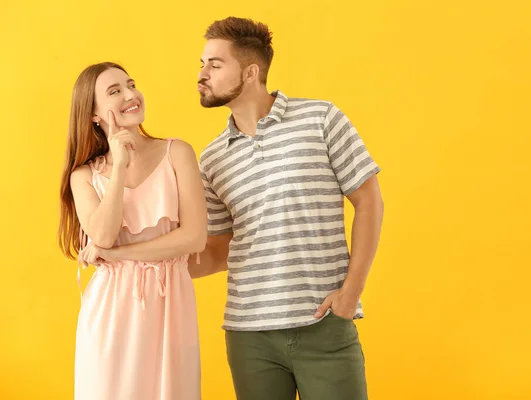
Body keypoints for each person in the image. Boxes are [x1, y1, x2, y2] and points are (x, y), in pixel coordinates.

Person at [188, 17, 384, 400]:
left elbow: (369, 201)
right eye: (202, 63)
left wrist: (351, 292)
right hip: (249, 337)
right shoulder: (211, 160)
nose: (202, 74)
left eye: (214, 64)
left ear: (250, 72)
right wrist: (141, 263)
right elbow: (219, 250)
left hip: (323, 325)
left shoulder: (321, 118)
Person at [58, 62, 207, 400]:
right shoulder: (85, 176)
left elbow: (194, 237)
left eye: (131, 85)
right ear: (94, 114)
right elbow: (104, 236)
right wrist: (120, 164)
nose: (131, 95)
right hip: (111, 311)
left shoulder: (177, 153)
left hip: (172, 305)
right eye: (115, 91)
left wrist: (118, 255)